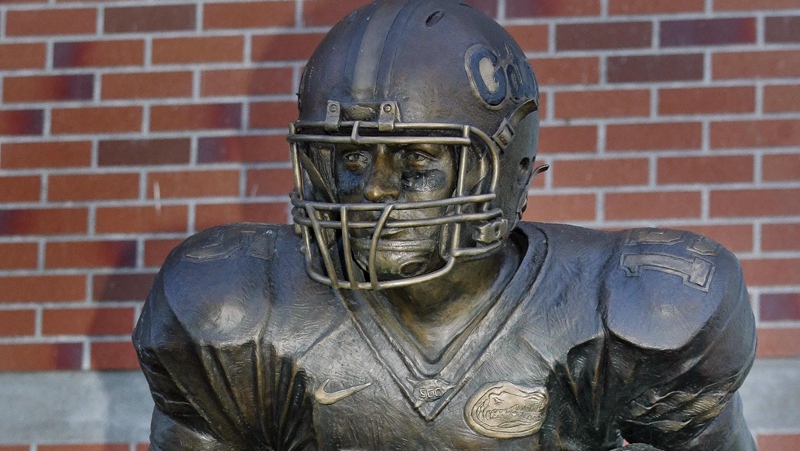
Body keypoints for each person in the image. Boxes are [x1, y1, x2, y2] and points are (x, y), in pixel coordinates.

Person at [133, 1, 757, 449]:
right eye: (349, 157)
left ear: (506, 169)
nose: (372, 188)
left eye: (415, 159)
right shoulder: (230, 312)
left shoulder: (637, 309)